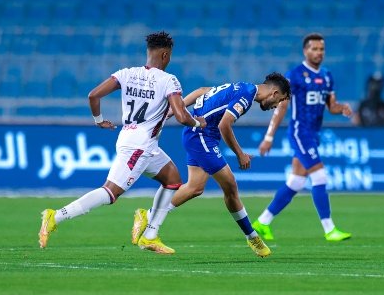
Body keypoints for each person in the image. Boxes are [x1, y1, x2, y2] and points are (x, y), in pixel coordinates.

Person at [38, 31, 206, 254]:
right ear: (165, 55)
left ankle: (150, 235)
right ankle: (56, 216)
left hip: (135, 140)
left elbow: (93, 95)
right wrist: (199, 122)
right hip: (140, 146)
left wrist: (98, 120)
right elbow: (182, 116)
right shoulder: (169, 80)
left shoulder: (126, 73)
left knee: (173, 180)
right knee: (110, 193)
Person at [131, 73, 291, 258]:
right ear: (275, 92)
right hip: (202, 136)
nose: (276, 106)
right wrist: (240, 154)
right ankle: (252, 236)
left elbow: (202, 91)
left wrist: (173, 111)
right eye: (280, 101)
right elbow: (225, 125)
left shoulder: (241, 86)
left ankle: (148, 216)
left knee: (194, 188)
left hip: (197, 134)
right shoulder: (246, 94)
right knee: (230, 187)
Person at [252, 33, 353, 242]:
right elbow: (281, 106)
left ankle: (262, 222)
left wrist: (341, 108)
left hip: (314, 134)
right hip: (300, 132)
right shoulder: (295, 75)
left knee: (297, 181)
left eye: (321, 49)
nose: (318, 53)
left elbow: (331, 106)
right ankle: (329, 229)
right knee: (320, 176)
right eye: (314, 49)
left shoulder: (327, 76)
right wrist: (269, 136)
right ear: (305, 51)